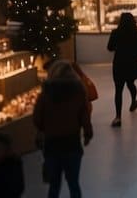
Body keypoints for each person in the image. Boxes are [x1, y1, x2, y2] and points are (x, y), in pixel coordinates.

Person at [33, 60, 92, 198]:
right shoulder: (78, 91)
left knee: (54, 185)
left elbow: (37, 118)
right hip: (72, 144)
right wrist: (88, 133)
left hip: (52, 144)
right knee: (73, 184)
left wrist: (45, 128)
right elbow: (84, 115)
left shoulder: (46, 93)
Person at [106, 11, 137, 127]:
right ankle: (133, 101)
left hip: (119, 64)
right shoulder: (136, 34)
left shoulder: (115, 33)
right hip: (131, 63)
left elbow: (109, 48)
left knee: (118, 90)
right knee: (131, 84)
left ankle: (118, 117)